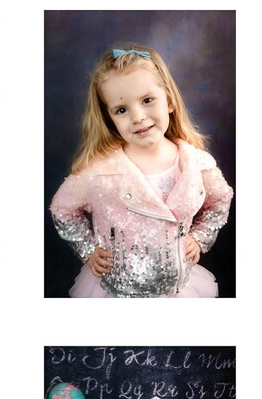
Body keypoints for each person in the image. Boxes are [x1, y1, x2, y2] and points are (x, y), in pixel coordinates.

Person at [50, 45, 234, 297]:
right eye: (121, 110)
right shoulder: (100, 171)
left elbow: (220, 200)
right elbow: (63, 209)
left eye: (147, 100)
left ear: (168, 101)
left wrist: (200, 237)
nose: (137, 116)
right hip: (117, 292)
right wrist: (89, 249)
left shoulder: (198, 164)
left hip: (178, 291)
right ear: (110, 118)